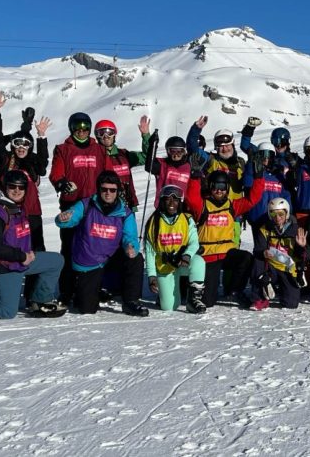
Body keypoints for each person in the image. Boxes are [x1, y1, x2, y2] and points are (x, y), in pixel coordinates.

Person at [0, 171, 67, 319]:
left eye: (21, 187)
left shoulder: (17, 208)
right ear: (5, 187)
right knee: (7, 312)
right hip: (6, 266)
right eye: (12, 187)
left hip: (22, 261)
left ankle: (40, 301)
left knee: (56, 261)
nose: (17, 190)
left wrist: (26, 256)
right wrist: (22, 256)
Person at [54, 171, 149, 316]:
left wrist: (131, 246)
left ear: (117, 191)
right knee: (86, 309)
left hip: (110, 258)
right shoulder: (86, 205)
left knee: (135, 259)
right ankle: (90, 291)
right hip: (90, 260)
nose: (108, 193)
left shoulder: (125, 213)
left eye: (112, 190)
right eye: (104, 189)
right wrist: (63, 218)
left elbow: (130, 236)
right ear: (98, 189)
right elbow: (68, 219)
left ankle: (131, 301)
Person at [186, 170, 267, 308]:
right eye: (216, 186)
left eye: (223, 187)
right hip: (208, 255)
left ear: (227, 188)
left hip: (227, 253)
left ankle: (236, 290)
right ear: (210, 187)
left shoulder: (231, 206)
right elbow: (191, 199)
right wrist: (194, 178)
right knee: (208, 302)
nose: (219, 190)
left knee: (246, 258)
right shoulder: (203, 206)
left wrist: (258, 178)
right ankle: (194, 290)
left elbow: (251, 200)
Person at [0, 96, 50, 252]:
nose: (21, 148)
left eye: (25, 144)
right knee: (12, 249)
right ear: (12, 145)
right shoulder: (6, 161)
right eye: (17, 143)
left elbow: (43, 165)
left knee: (37, 249)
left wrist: (41, 137)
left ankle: (36, 276)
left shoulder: (33, 162)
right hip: (9, 214)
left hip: (32, 213)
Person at [144, 185, 206, 314]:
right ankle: (163, 295)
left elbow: (194, 242)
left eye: (176, 200)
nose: (172, 203)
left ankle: (194, 300)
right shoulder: (153, 223)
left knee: (199, 262)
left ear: (180, 202)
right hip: (165, 266)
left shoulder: (187, 219)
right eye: (168, 199)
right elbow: (150, 253)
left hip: (182, 262)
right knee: (169, 307)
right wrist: (151, 276)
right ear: (162, 201)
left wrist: (187, 255)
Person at [250, 197, 309, 310]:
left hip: (288, 269)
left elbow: (307, 255)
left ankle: (281, 290)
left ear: (286, 213)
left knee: (291, 304)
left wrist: (302, 247)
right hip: (270, 267)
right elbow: (257, 250)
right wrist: (263, 253)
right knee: (258, 261)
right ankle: (259, 298)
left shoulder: (296, 230)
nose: (277, 218)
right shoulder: (265, 229)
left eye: (281, 214)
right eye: (273, 214)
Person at [97, 116, 152, 208]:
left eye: (109, 133)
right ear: (97, 136)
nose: (105, 137)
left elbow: (146, 157)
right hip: (105, 206)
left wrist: (146, 135)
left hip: (128, 204)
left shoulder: (124, 154)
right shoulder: (95, 157)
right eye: (101, 133)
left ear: (114, 134)